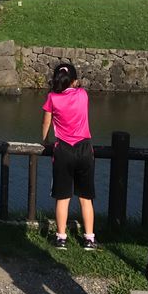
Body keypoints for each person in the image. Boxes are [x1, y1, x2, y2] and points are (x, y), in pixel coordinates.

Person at [41, 62, 97, 251]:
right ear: (74, 81)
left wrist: (45, 141)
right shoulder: (83, 95)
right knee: (86, 198)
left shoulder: (52, 98)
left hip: (63, 150)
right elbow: (78, 88)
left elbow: (46, 121)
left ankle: (61, 238)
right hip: (84, 149)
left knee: (63, 198)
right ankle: (89, 239)